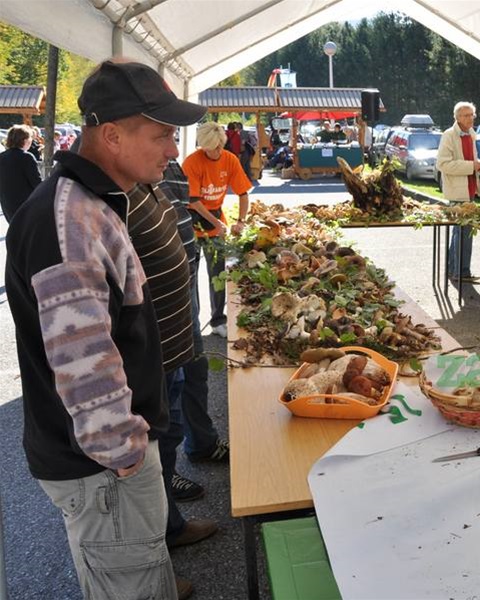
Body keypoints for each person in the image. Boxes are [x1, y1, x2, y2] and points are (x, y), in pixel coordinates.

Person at [5, 59, 208, 600]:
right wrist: (128, 458)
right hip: (102, 468)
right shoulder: (69, 223)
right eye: (162, 135)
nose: (173, 150)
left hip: (107, 462)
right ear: (112, 135)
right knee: (130, 586)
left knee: (139, 574)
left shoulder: (90, 201)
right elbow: (85, 366)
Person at [127, 178, 218, 599]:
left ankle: (170, 526)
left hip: (174, 337)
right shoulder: (108, 194)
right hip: (151, 349)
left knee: (168, 435)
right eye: (160, 143)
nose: (171, 149)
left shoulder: (147, 180)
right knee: (151, 448)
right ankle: (148, 577)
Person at [161, 158, 232, 466]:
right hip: (159, 295)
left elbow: (182, 208)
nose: (173, 149)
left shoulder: (170, 164)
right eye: (163, 136)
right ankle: (163, 479)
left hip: (182, 284)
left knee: (194, 369)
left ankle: (202, 443)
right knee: (167, 383)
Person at [182, 121, 252, 338]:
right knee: (191, 277)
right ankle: (192, 322)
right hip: (192, 223)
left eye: (216, 147)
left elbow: (243, 194)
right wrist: (216, 222)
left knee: (218, 275)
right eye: (208, 148)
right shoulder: (192, 162)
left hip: (215, 221)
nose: (213, 152)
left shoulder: (230, 160)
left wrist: (240, 221)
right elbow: (193, 201)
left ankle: (218, 320)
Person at [437, 101, 480, 284]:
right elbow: (442, 164)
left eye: (472, 115)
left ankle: (455, 271)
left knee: (461, 232)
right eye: (466, 115)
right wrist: (471, 166)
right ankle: (461, 272)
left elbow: (469, 160)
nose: (470, 118)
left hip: (469, 189)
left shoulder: (471, 133)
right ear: (457, 118)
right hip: (457, 191)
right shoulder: (449, 135)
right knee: (463, 233)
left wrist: (478, 166)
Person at [0, 124, 41, 222]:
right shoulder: (27, 157)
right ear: (25, 140)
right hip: (25, 203)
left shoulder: (2, 156)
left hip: (7, 202)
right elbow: (36, 182)